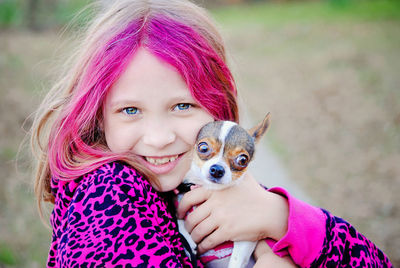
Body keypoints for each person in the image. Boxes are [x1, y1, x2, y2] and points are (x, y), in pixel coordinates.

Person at [30, 0, 392, 267]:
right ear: (97, 117)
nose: (158, 138)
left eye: (182, 106)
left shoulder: (213, 184)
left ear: (218, 109)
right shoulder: (108, 194)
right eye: (130, 110)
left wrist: (280, 215)